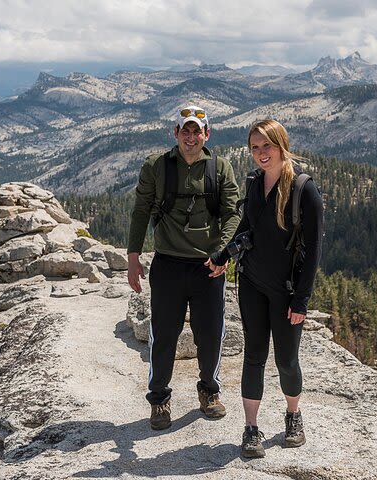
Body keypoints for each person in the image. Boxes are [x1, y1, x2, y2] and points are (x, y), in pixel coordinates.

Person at [207, 119, 323, 457]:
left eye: (266, 146)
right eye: (255, 148)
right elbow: (247, 226)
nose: (260, 153)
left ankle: (293, 415)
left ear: (281, 145)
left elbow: (314, 249)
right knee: (254, 356)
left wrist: (301, 299)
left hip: (286, 291)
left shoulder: (304, 189)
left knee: (286, 360)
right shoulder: (255, 184)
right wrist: (223, 254)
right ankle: (251, 428)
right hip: (252, 284)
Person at [127, 105, 240, 430]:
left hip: (209, 268)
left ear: (207, 134)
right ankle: (159, 399)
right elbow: (141, 211)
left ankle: (209, 391)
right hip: (167, 265)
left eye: (197, 131)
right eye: (185, 131)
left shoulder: (220, 169)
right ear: (175, 133)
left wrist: (222, 253)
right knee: (164, 334)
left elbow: (232, 213)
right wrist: (133, 256)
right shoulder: (157, 167)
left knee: (210, 334)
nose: (191, 137)